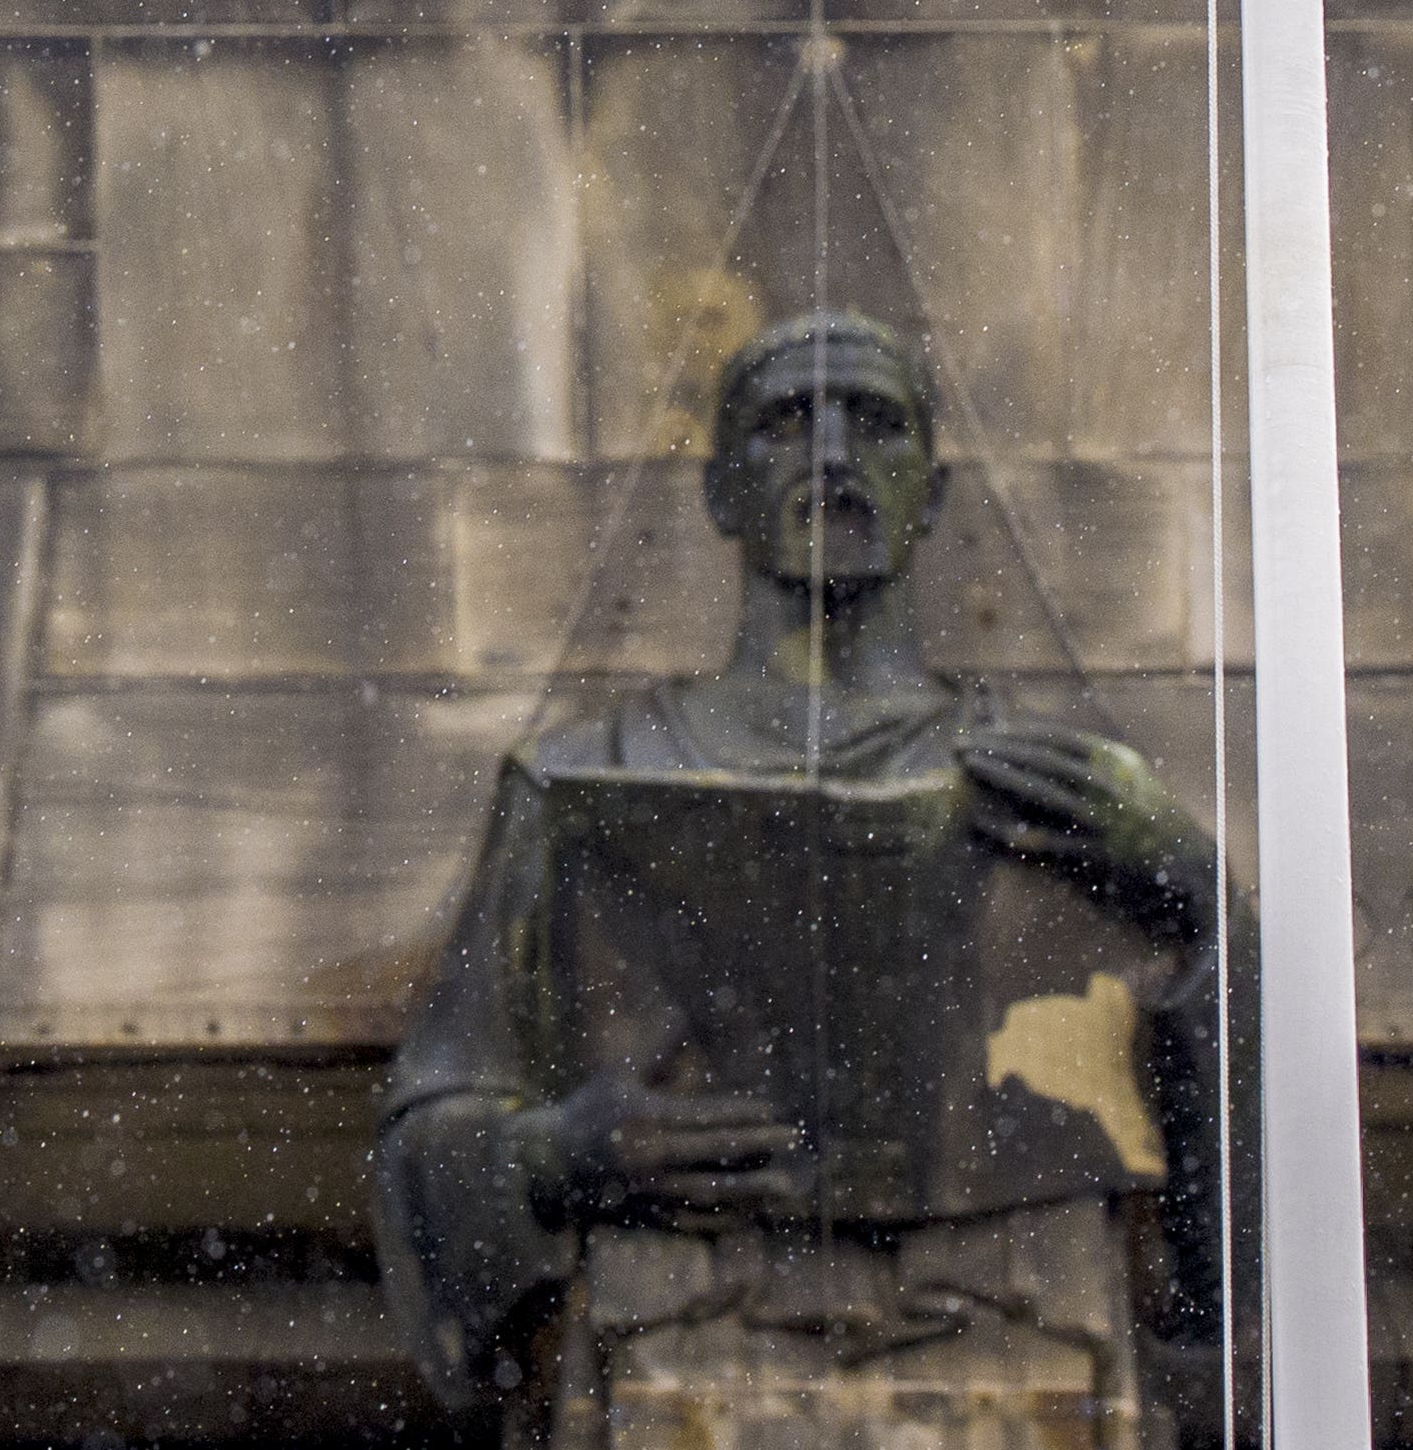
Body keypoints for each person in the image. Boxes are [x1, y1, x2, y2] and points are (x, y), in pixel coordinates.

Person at [375, 312, 1257, 1445]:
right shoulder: (577, 785)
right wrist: (551, 1157)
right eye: (787, 422)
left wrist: (1190, 885)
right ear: (720, 490)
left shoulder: (1069, 803)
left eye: (874, 423)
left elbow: (1234, 1227)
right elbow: (431, 1129)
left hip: (1018, 1351)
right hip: (688, 1351)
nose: (833, 456)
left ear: (931, 493)